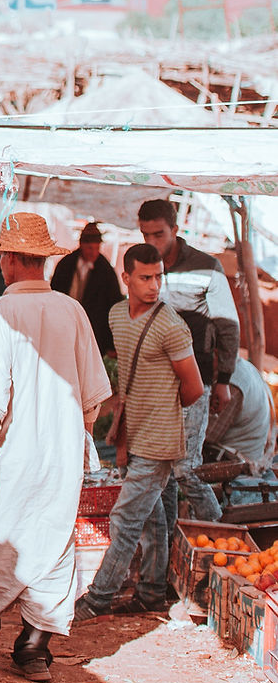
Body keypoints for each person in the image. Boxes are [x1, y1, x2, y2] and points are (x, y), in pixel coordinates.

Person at [0, 213, 111, 682]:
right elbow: (93, 397)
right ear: (42, 261)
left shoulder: (0, 313)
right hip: (62, 451)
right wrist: (79, 440)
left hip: (11, 452)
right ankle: (33, 647)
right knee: (53, 539)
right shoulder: (72, 311)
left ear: (8, 259)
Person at [73, 244, 204, 620]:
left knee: (126, 519)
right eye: (145, 277)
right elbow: (127, 381)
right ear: (126, 277)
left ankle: (97, 599)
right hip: (136, 433)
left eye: (159, 277)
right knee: (152, 518)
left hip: (160, 439)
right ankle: (150, 592)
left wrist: (161, 409)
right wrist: (125, 432)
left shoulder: (171, 325)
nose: (154, 285)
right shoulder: (117, 316)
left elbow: (193, 389)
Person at [138, 199, 240, 524]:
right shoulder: (143, 266)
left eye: (158, 234)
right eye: (145, 235)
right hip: (156, 383)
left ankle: (223, 536)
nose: (152, 242)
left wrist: (224, 379)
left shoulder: (206, 266)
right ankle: (168, 552)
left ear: (175, 230)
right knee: (163, 469)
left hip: (196, 381)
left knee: (186, 469)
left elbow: (227, 325)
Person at [50, 222, 123, 356]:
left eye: (97, 248)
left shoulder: (106, 270)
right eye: (90, 248)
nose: (94, 252)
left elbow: (114, 304)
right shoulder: (66, 265)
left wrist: (111, 343)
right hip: (66, 327)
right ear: (81, 245)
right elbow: (54, 296)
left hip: (94, 331)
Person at [205, 356, 277, 474]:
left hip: (238, 465)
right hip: (241, 456)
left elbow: (207, 435)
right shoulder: (243, 366)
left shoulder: (233, 384)